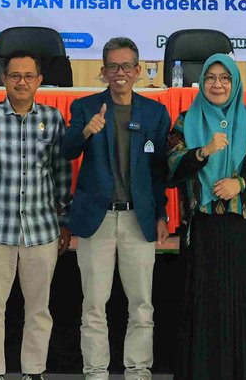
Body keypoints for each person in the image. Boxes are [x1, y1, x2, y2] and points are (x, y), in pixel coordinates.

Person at [166, 53, 246, 380]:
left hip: (244, 231)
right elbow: (172, 167)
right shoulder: (185, 121)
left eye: (225, 78)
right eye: (210, 78)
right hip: (203, 230)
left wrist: (240, 184)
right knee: (204, 307)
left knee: (244, 306)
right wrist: (203, 152)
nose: (217, 84)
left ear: (235, 83)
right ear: (201, 82)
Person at [62, 37, 173, 380]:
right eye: (113, 66)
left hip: (138, 218)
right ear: (103, 71)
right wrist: (85, 131)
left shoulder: (155, 113)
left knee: (141, 304)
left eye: (126, 66)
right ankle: (95, 372)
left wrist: (161, 214)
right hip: (98, 219)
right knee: (94, 305)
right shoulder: (85, 107)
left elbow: (160, 170)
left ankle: (138, 370)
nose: (120, 72)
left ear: (138, 71)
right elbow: (65, 151)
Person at [0, 51, 72, 380]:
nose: (22, 82)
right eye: (15, 76)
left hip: (42, 230)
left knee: (39, 309)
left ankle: (33, 372)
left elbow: (61, 172)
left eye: (29, 76)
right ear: (4, 79)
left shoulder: (52, 118)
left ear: (39, 81)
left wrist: (64, 220)